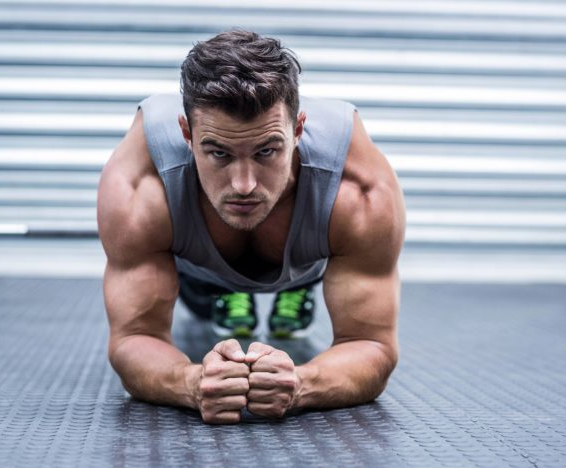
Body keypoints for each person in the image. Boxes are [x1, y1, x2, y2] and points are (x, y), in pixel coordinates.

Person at [96, 30, 405, 424]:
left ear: (298, 130)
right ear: (187, 134)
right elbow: (134, 337)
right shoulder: (143, 188)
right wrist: (190, 382)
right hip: (197, 267)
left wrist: (301, 382)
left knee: (313, 253)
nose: (244, 184)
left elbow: (371, 344)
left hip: (308, 259)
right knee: (208, 294)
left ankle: (293, 290)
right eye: (219, 153)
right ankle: (222, 291)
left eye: (266, 151)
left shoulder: (358, 192)